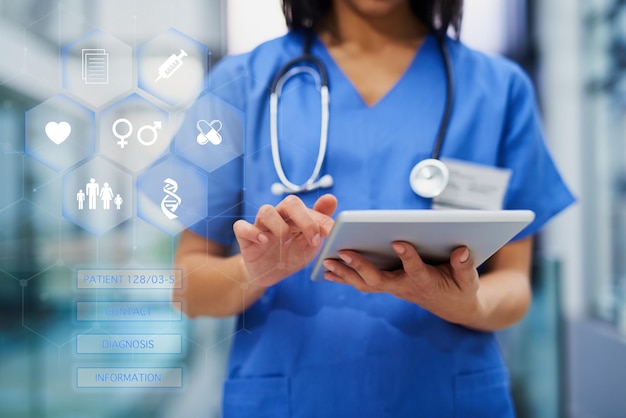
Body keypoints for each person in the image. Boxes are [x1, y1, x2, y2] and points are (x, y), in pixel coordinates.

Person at [174, 0, 575, 416]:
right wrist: (254, 271)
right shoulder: (242, 84)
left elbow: (515, 282)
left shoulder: (498, 89)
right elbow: (187, 287)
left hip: (448, 399)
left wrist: (467, 303)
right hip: (291, 400)